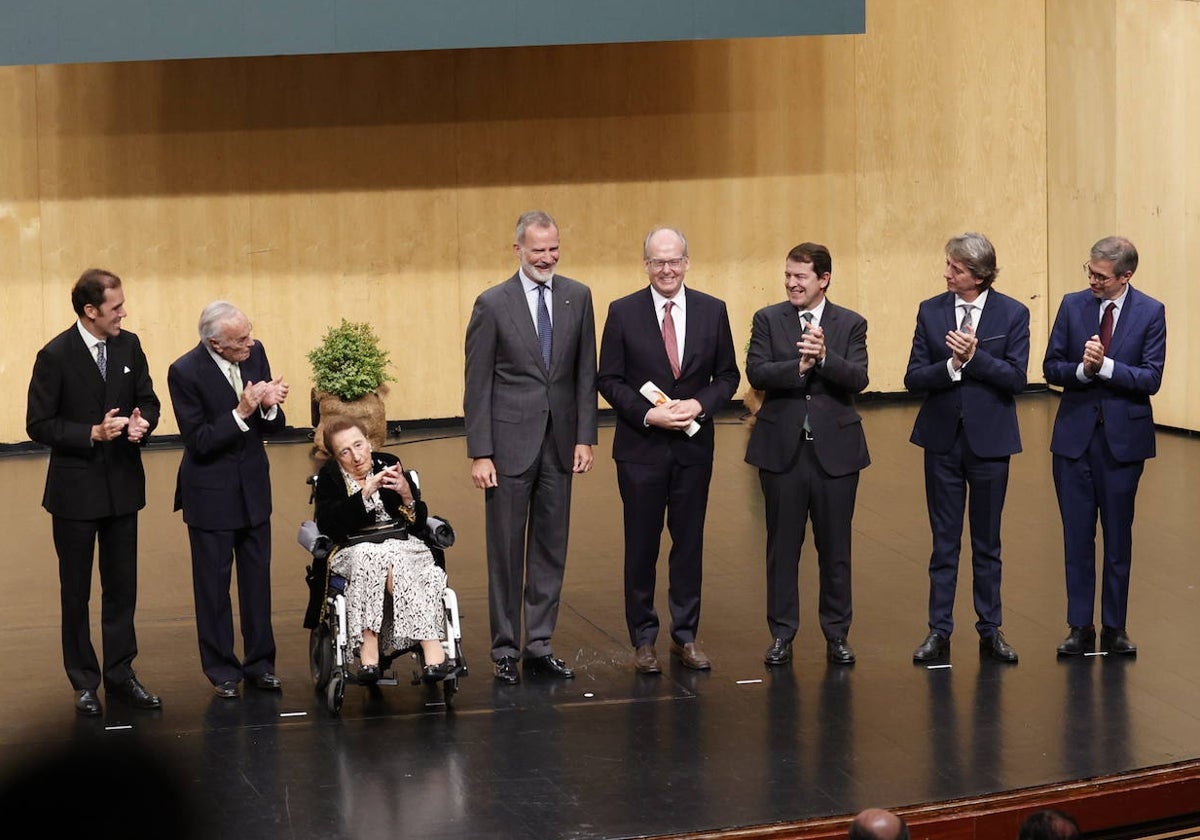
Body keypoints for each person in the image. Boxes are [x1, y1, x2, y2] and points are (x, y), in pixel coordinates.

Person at [597, 226, 740, 674]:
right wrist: (647, 414)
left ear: (687, 262)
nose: (666, 269)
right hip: (641, 449)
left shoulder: (712, 310)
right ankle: (644, 640)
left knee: (689, 544)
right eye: (658, 261)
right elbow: (609, 380)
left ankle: (685, 636)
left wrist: (700, 403)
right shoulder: (623, 312)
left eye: (674, 260)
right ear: (646, 265)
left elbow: (729, 377)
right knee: (641, 547)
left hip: (694, 451)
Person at [464, 210, 598, 685]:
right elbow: (477, 384)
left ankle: (539, 644)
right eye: (538, 249)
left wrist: (585, 435)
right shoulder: (492, 304)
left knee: (550, 547)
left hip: (560, 444)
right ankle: (504, 648)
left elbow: (586, 373)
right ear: (517, 249)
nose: (548, 257)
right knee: (504, 550)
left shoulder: (577, 297)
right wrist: (480, 451)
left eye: (553, 248)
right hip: (506, 447)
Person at [26, 268, 163, 716]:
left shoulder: (130, 345)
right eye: (115, 307)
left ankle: (121, 674)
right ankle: (84, 681)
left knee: (123, 588)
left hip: (122, 488)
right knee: (77, 590)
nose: (124, 312)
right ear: (90, 311)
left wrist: (144, 423)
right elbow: (39, 424)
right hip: (75, 494)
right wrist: (91, 432)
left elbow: (149, 399)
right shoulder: (55, 355)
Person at [905, 233, 1029, 664]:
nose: (947, 274)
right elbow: (914, 377)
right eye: (948, 265)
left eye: (955, 268)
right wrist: (951, 366)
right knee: (944, 542)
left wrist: (975, 358)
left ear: (978, 275)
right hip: (941, 440)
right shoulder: (931, 310)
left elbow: (1016, 378)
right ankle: (939, 630)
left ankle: (990, 629)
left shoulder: (1013, 313)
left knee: (987, 541)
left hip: (990, 443)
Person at [745, 242, 870, 667]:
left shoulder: (850, 323)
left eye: (800, 276)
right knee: (782, 548)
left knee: (835, 549)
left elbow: (858, 378)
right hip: (782, 452)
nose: (792, 283)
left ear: (823, 279)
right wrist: (798, 367)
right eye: (788, 275)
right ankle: (782, 633)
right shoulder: (768, 319)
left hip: (836, 455)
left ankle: (837, 635)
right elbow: (757, 371)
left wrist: (824, 358)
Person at [1044, 236, 1164, 657]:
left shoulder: (1151, 312)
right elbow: (1051, 365)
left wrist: (1106, 367)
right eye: (1089, 271)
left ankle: (1115, 626)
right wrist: (1081, 369)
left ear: (1125, 276)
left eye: (1101, 276)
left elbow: (1151, 378)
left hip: (1122, 444)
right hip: (1074, 441)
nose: (1092, 280)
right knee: (1076, 537)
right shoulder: (1072, 305)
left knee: (1118, 538)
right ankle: (1080, 625)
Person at [168, 301, 289, 698]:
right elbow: (199, 442)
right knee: (213, 587)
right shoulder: (185, 372)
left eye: (250, 333)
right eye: (240, 340)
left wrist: (269, 409)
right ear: (215, 343)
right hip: (211, 495)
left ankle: (261, 664)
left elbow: (275, 425)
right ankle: (222, 670)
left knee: (257, 583)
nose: (250, 344)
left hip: (253, 489)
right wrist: (240, 412)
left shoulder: (256, 353)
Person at [312, 418, 452, 684]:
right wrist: (364, 495)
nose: (356, 456)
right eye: (345, 451)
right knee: (371, 554)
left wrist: (407, 495)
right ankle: (429, 645)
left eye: (359, 445)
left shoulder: (388, 463)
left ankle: (370, 651)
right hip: (353, 548)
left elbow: (418, 523)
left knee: (390, 554)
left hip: (402, 544)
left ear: (369, 441)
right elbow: (329, 526)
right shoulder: (330, 479)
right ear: (335, 456)